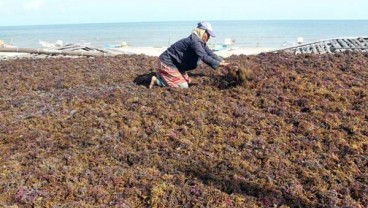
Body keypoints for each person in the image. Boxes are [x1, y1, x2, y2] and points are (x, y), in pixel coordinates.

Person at [149, 21, 230, 89]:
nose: (209, 38)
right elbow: (204, 57)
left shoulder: (200, 41)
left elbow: (210, 53)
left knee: (188, 81)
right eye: (208, 35)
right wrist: (220, 64)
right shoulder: (194, 41)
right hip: (167, 62)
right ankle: (157, 80)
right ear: (202, 32)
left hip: (176, 65)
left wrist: (222, 61)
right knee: (183, 86)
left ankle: (163, 74)